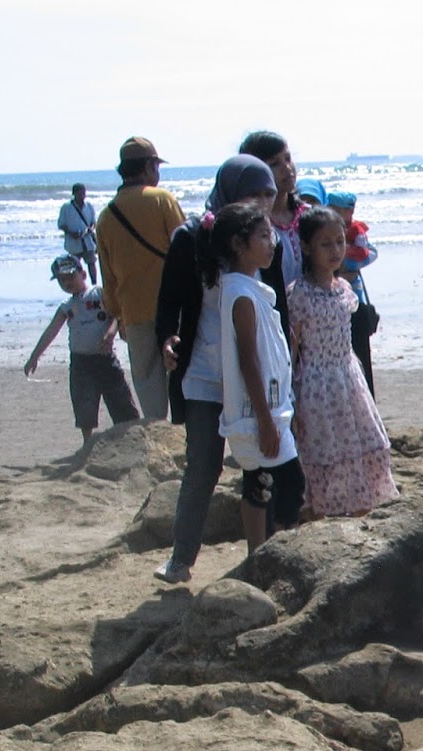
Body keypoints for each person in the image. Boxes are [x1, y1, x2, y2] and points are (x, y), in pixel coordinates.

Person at [153, 154, 280, 585]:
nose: (263, 203)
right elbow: (169, 300)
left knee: (259, 462)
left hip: (252, 377)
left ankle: (258, 557)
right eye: (253, 194)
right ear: (229, 193)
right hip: (206, 373)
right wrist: (167, 338)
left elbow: (273, 300)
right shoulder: (192, 238)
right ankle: (181, 559)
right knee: (204, 463)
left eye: (269, 194)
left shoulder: (265, 239)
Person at [289, 205, 399, 516]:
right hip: (316, 386)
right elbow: (293, 350)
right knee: (326, 452)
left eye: (339, 242)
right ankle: (323, 514)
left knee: (364, 445)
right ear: (307, 247)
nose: (336, 250)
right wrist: (291, 397)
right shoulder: (300, 294)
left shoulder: (344, 289)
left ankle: (361, 512)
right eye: (326, 244)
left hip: (347, 379)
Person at [212, 201, 305, 554]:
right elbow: (247, 360)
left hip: (263, 409)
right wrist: (266, 419)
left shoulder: (247, 287)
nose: (273, 243)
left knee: (259, 482)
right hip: (258, 414)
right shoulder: (240, 294)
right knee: (290, 484)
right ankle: (279, 555)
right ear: (239, 244)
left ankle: (258, 554)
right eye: (264, 235)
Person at [95, 136, 185, 421]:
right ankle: (184, 439)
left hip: (134, 311)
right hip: (173, 306)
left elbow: (107, 275)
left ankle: (157, 434)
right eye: (156, 166)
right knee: (181, 376)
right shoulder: (162, 200)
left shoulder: (107, 216)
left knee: (147, 382)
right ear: (147, 167)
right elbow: (185, 250)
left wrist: (117, 315)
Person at [24, 255, 140, 445]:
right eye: (62, 280)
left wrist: (110, 334)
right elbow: (51, 331)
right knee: (84, 406)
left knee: (121, 403)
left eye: (71, 277)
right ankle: (88, 443)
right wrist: (34, 357)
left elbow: (116, 315)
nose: (67, 282)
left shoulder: (99, 294)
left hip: (105, 359)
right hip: (80, 362)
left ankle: (129, 439)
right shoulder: (67, 306)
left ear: (83, 274)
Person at [326, 190, 379, 393]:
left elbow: (370, 254)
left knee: (359, 354)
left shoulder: (356, 230)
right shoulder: (320, 228)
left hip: (354, 301)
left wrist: (348, 263)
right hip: (331, 301)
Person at [239, 131, 305, 290]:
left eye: (288, 158)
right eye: (274, 164)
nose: (287, 167)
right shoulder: (249, 226)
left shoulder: (307, 216)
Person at [58, 184, 98, 284]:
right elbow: (61, 224)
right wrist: (72, 233)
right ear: (74, 194)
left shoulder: (89, 206)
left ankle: (94, 285)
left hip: (87, 241)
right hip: (73, 243)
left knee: (92, 264)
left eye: (83, 193)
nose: (82, 195)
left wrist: (90, 229)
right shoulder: (66, 207)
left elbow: (93, 222)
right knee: (75, 267)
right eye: (79, 193)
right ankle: (77, 286)